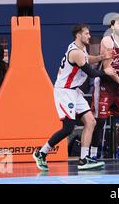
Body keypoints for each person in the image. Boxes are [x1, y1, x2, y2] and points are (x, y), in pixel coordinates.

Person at [33, 24, 114, 171]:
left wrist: (101, 57)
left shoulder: (80, 49)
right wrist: (108, 72)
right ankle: (41, 153)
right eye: (87, 34)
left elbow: (87, 58)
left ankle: (83, 160)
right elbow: (91, 73)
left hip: (74, 91)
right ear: (78, 35)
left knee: (91, 121)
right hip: (64, 92)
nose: (89, 36)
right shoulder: (75, 52)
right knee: (68, 128)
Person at [90, 14, 119, 165]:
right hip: (105, 83)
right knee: (100, 119)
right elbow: (108, 68)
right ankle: (93, 153)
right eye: (118, 23)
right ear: (111, 26)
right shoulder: (106, 41)